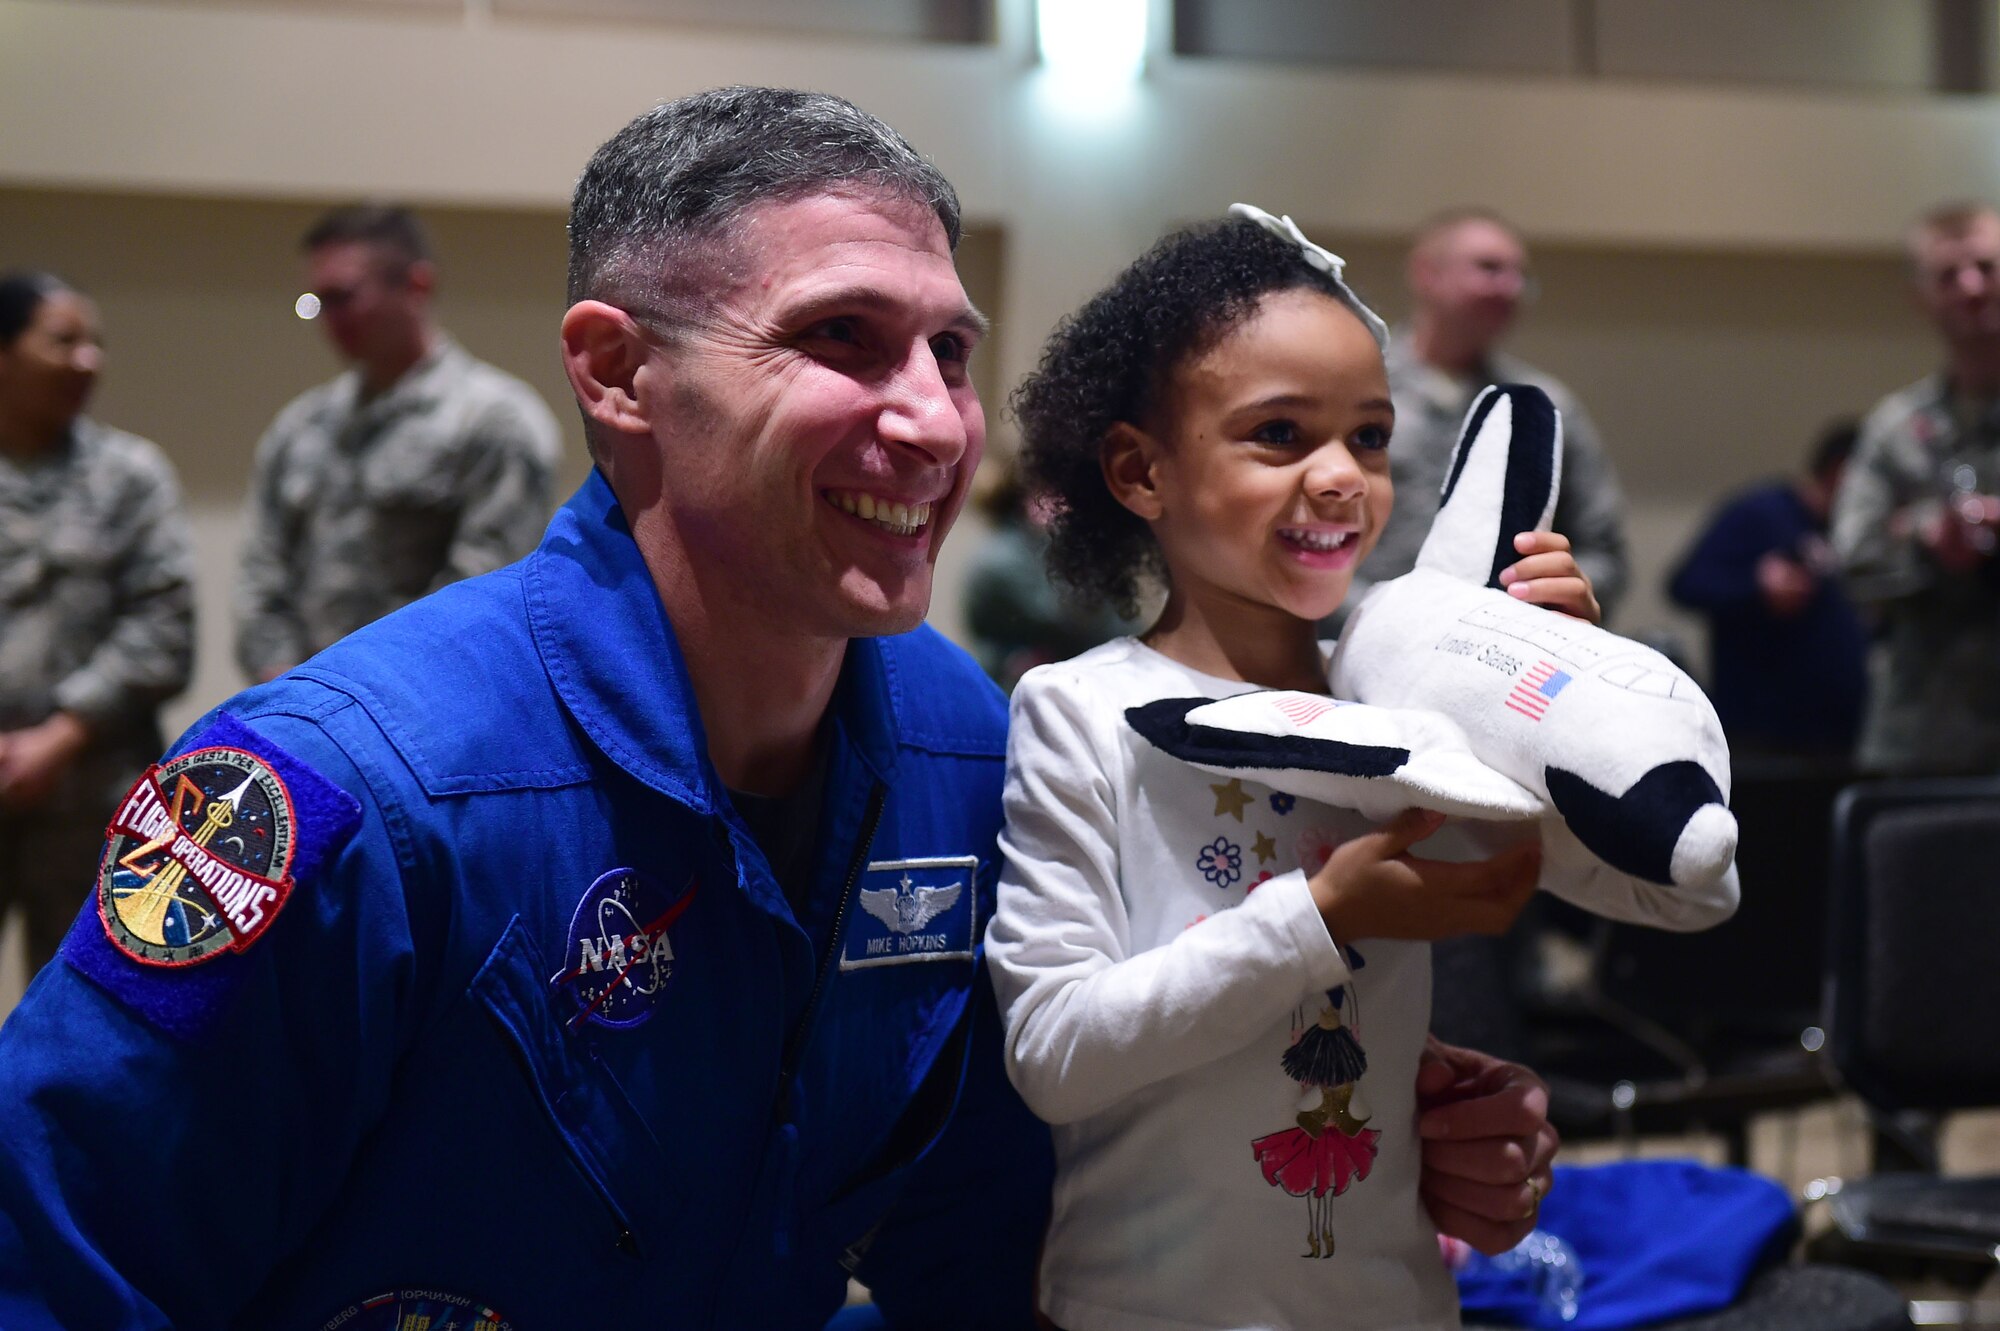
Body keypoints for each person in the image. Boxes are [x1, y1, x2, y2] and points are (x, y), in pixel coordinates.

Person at [0, 92, 1557, 1331]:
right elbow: (54, 1266)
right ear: (618, 374)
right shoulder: (347, 799)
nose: (937, 418)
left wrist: (1354, 1121)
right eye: (842, 339)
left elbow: (1007, 1227)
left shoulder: (965, 747)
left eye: (951, 348)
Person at [987, 211, 1718, 1331]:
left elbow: (1586, 880)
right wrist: (1317, 916)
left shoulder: (1407, 713)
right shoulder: (1081, 710)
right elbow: (1053, 1050)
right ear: (1141, 469)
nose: (1340, 478)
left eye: (1368, 438)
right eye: (1278, 434)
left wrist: (1539, 684)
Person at [233, 203, 561, 682]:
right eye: (318, 301)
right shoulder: (302, 426)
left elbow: (484, 594)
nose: (330, 319)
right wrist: (287, 688)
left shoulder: (492, 420)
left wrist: (364, 702)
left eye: (344, 297)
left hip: (427, 707)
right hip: (299, 708)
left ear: (416, 286)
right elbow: (261, 575)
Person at [0, 271, 193, 971]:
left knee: (90, 1010)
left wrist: (60, 735)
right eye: (63, 340)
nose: (89, 360)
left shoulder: (130, 476)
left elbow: (164, 628)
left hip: (92, 804)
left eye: (96, 343)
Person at [1328, 209, 1628, 633]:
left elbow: (1603, 550)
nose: (1510, 287)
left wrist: (1548, 594)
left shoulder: (1545, 406)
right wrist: (1381, 617)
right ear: (1426, 274)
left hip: (1500, 645)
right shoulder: (1352, 387)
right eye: (1489, 268)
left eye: (1519, 275)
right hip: (1349, 638)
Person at [1832, 201, 2000, 776]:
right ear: (1922, 298)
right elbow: (1853, 559)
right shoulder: (1897, 429)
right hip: (1927, 739)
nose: (1972, 287)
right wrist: (1928, 539)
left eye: (1986, 266)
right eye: (1949, 275)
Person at [1668, 420, 1869, 763]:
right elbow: (1685, 584)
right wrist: (1755, 588)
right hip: (1762, 735)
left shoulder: (1854, 530)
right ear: (1842, 471)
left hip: (1838, 735)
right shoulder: (1760, 513)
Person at [963, 456, 1137, 691]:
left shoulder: (1042, 550)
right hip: (1013, 694)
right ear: (1026, 498)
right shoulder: (1003, 560)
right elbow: (1073, 620)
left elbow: (1123, 629)